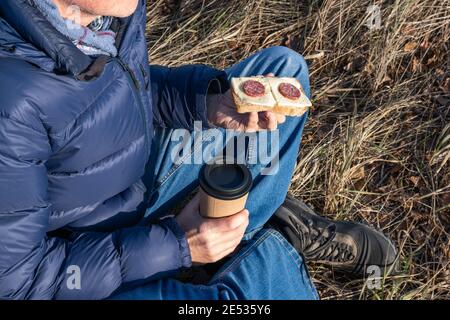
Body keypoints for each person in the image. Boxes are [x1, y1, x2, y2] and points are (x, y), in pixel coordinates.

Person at [0, 0, 397, 300]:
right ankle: (259, 247)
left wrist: (206, 103)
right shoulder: (10, 102)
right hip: (84, 260)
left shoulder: (103, 12)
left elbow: (114, 93)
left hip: (130, 183)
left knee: (285, 69)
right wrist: (175, 245)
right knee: (265, 289)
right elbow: (21, 283)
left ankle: (234, 234)